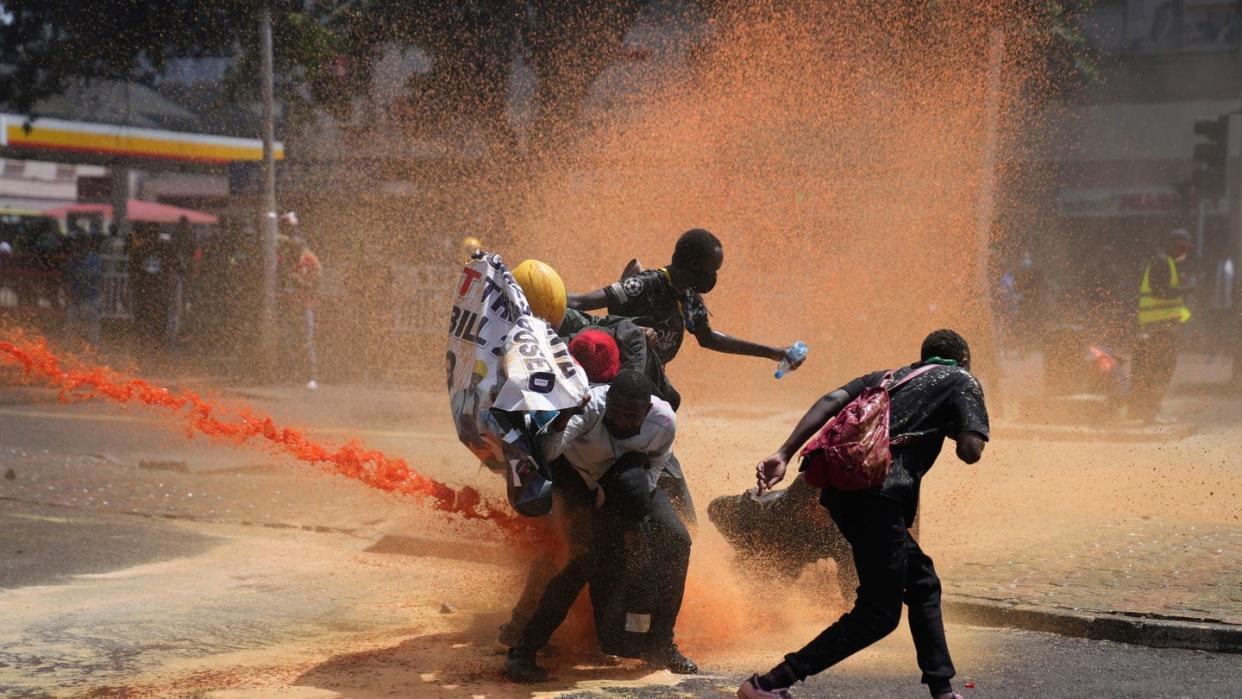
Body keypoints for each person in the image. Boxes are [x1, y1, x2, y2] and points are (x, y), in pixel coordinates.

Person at [737, 329, 989, 699]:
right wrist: (957, 426)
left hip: (841, 490)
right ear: (964, 359)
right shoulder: (962, 380)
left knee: (922, 583)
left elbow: (829, 400)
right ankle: (769, 683)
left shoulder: (886, 377)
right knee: (879, 614)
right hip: (880, 496)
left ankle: (942, 689)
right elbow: (970, 450)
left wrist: (783, 453)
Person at [566, 229, 805, 520]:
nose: (713, 278)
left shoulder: (688, 298)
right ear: (690, 265)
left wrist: (773, 352)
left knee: (676, 498)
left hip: (649, 404)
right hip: (615, 397)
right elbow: (578, 303)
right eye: (710, 270)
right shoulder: (644, 285)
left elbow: (709, 338)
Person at [505, 370, 696, 682]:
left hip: (624, 482)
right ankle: (524, 650)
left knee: (677, 540)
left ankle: (661, 644)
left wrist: (631, 513)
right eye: (616, 412)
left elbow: (657, 467)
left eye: (630, 416)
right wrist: (564, 418)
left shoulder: (662, 422)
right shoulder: (589, 408)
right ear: (608, 403)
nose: (621, 421)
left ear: (646, 410)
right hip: (574, 477)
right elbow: (550, 453)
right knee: (581, 556)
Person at [1129, 228, 1194, 423]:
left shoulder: (1167, 264)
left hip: (1157, 328)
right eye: (1182, 247)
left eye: (1187, 248)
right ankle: (1149, 413)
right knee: (1159, 371)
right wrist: (1185, 289)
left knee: (1151, 371)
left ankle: (1147, 411)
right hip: (1157, 329)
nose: (1185, 252)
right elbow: (1160, 293)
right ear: (1171, 246)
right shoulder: (1162, 262)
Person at [280, 212, 321, 390]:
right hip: (290, 305)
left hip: (306, 305)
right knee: (290, 339)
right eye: (292, 244)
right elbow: (282, 279)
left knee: (307, 340)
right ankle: (293, 373)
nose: (294, 247)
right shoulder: (286, 259)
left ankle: (311, 375)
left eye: (297, 244)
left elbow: (317, 279)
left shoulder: (310, 259)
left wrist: (302, 283)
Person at [62, 233, 103, 349]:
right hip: (76, 297)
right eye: (77, 244)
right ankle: (68, 347)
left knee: (92, 324)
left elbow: (95, 277)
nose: (78, 246)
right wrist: (69, 295)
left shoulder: (95, 259)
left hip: (91, 297)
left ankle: (93, 347)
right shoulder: (72, 261)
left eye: (81, 244)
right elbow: (67, 280)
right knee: (71, 324)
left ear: (87, 245)